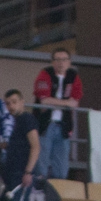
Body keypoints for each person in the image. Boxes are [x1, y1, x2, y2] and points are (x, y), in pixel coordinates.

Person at [32, 49, 81, 183]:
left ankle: (57, 192)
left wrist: (56, 102)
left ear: (69, 62)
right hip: (45, 126)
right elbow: (44, 100)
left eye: (64, 59)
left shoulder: (73, 76)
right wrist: (66, 103)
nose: (61, 63)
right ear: (52, 62)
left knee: (62, 168)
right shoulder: (44, 74)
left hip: (64, 127)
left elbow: (75, 103)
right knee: (41, 164)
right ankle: (39, 190)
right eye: (57, 59)